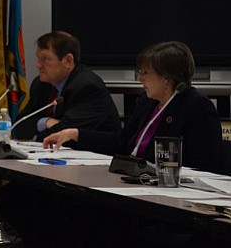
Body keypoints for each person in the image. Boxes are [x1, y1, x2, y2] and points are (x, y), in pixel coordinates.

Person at [43, 41, 222, 173]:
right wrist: (75, 134)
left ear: (166, 78)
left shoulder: (197, 107)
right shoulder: (147, 102)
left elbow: (206, 166)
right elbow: (121, 143)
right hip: (135, 183)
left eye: (145, 73)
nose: (139, 79)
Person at [11, 31, 121, 141]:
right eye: (38, 58)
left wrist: (34, 137)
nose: (38, 65)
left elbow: (66, 133)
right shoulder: (41, 85)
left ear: (68, 61)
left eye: (46, 59)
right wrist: (46, 122)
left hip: (98, 155)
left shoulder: (87, 86)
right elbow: (18, 126)